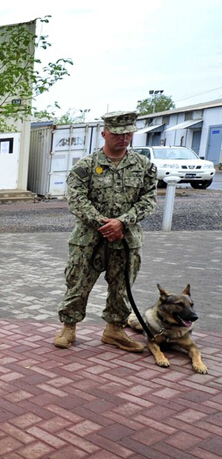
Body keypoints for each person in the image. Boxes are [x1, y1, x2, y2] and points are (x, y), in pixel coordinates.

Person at [54, 110, 157, 351]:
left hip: (125, 239)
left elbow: (148, 200)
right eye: (117, 133)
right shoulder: (86, 166)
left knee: (121, 287)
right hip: (88, 239)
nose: (123, 138)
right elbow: (76, 199)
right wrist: (104, 224)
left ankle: (114, 330)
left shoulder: (144, 167)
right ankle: (68, 328)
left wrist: (122, 222)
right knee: (78, 284)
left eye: (128, 134)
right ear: (104, 133)